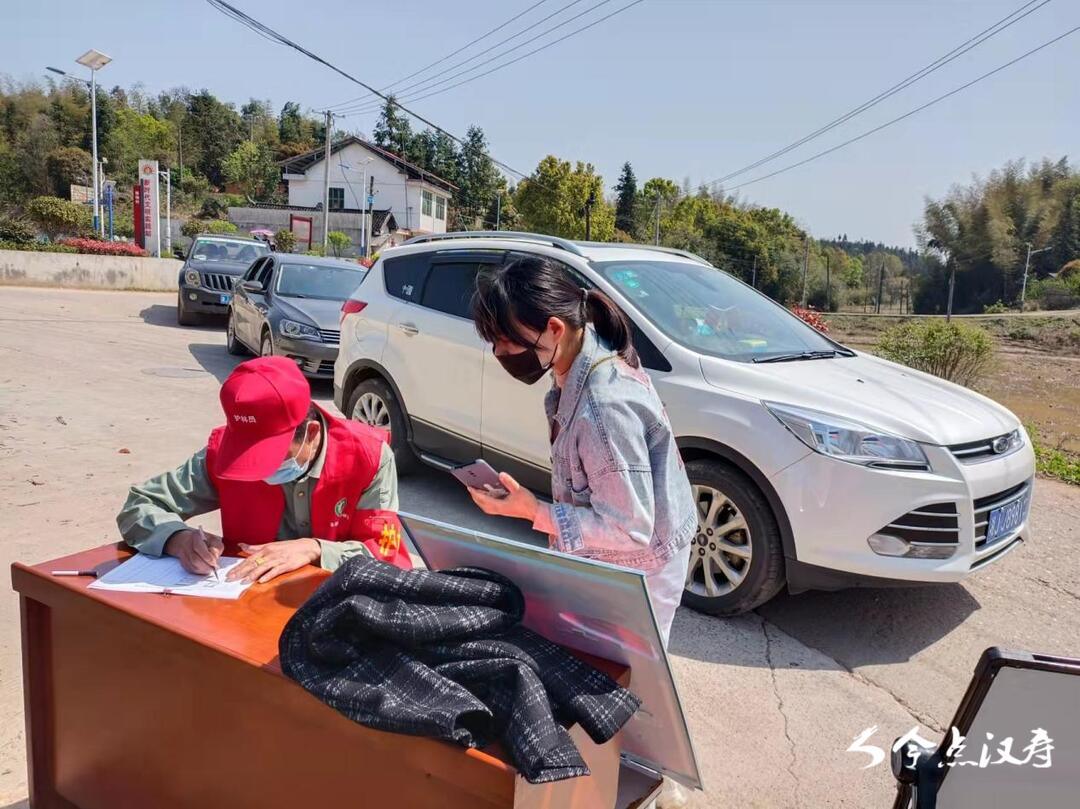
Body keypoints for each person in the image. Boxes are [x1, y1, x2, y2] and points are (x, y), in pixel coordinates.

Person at [467, 256, 697, 647]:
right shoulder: (579, 362)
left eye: (506, 339)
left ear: (554, 329)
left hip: (636, 571)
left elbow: (629, 529)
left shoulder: (603, 407)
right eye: (493, 340)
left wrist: (532, 511)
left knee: (625, 683)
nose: (499, 352)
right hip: (620, 560)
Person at [116, 356, 410, 583]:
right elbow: (140, 504)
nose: (261, 472)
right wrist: (176, 539)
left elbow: (386, 552)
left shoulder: (368, 457)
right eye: (249, 458)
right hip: (246, 607)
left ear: (310, 433)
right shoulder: (224, 456)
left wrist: (316, 549)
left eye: (272, 458)